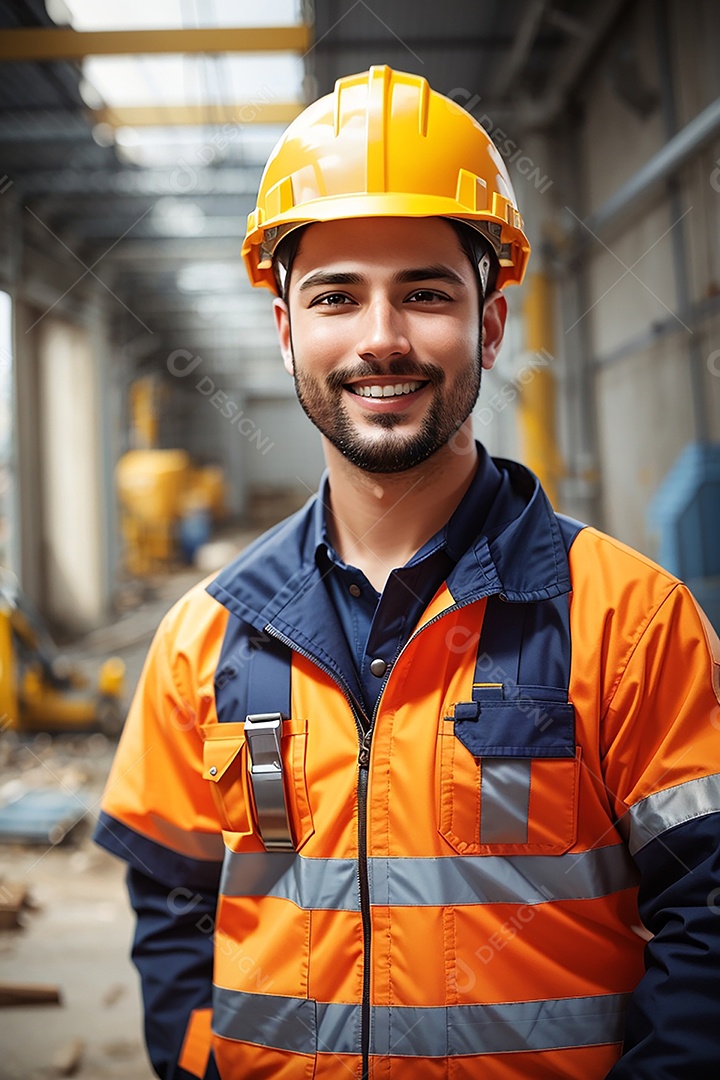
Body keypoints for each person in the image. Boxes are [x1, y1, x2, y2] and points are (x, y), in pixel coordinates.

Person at [95, 66, 720, 1079]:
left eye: (424, 293)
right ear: (288, 327)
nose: (381, 338)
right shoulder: (205, 638)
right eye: (337, 296)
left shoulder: (633, 621)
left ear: (491, 322)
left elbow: (709, 912)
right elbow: (174, 897)